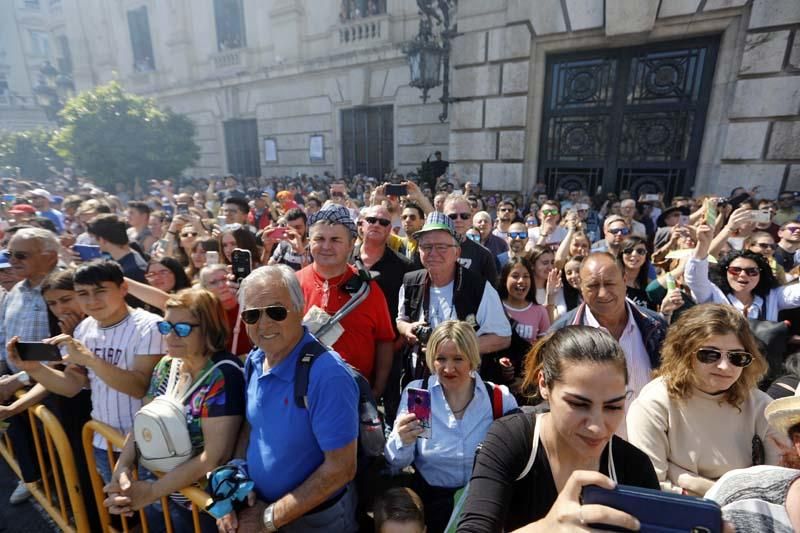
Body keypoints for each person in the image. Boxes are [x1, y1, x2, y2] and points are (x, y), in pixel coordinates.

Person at [456, 326, 659, 532]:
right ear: (544, 384)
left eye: (613, 406)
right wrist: (547, 527)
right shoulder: (510, 440)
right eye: (579, 404)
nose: (597, 427)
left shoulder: (634, 466)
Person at [216, 265, 359, 532]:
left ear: (300, 307)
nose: (264, 324)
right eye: (252, 315)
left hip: (313, 521)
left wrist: (269, 518)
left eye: (276, 311)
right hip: (261, 509)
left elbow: (341, 469)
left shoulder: (328, 375)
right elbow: (253, 426)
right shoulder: (256, 360)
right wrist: (236, 477)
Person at [6, 260, 165, 484]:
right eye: (83, 293)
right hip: (103, 442)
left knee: (156, 516)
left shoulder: (150, 326)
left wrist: (90, 359)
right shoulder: (84, 328)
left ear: (123, 289)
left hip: (146, 445)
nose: (92, 300)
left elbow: (138, 388)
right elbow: (72, 385)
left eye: (100, 291)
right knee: (122, 515)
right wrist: (34, 369)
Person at [103, 289, 244, 533]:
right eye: (166, 327)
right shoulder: (167, 365)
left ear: (209, 328)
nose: (170, 337)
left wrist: (151, 493)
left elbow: (214, 457)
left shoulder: (224, 374)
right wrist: (122, 469)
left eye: (182, 329)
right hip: (173, 493)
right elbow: (142, 422)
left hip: (210, 505)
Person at [627, 304, 786, 495]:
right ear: (684, 353)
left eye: (737, 357)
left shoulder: (763, 406)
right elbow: (651, 487)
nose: (725, 367)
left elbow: (778, 485)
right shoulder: (654, 403)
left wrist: (690, 481)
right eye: (710, 355)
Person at [385, 321, 517, 532]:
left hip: (483, 506)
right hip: (432, 507)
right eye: (441, 359)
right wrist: (403, 439)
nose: (448, 368)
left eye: (458, 359)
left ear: (473, 359)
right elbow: (396, 461)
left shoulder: (499, 398)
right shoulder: (420, 396)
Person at [396, 212, 511, 384]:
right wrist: (407, 329)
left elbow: (503, 337)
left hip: (464, 388)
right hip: (419, 382)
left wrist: (455, 349)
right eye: (426, 247)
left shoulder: (478, 287)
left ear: (457, 252)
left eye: (441, 247)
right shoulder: (410, 282)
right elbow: (400, 320)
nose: (433, 253)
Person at [296, 204, 395, 397]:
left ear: (351, 244)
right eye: (319, 239)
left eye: (335, 240)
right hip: (302, 395)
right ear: (309, 242)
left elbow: (385, 341)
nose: (326, 246)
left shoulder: (368, 289)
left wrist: (377, 390)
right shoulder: (292, 284)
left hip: (354, 395)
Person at [550, 253, 667, 409]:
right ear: (581, 287)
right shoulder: (562, 334)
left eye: (610, 283)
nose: (603, 293)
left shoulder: (656, 326)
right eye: (593, 285)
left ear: (625, 281)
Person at [0, 227, 61, 504]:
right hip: (18, 385)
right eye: (9, 254)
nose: (12, 261)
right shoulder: (14, 291)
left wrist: (20, 379)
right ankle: (35, 479)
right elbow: (3, 335)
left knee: (61, 451)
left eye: (21, 255)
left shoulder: (62, 291)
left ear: (49, 257)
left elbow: (63, 352)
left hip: (54, 389)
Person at [686, 223, 800, 321]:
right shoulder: (713, 295)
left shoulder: (773, 296)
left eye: (752, 271)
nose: (743, 275)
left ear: (761, 275)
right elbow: (694, 278)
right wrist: (702, 244)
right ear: (725, 272)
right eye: (735, 270)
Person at [353, 204, 412, 333]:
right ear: (362, 225)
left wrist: (397, 345)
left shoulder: (404, 266)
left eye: (383, 222)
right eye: (371, 220)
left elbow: (410, 311)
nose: (377, 224)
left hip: (388, 345)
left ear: (389, 229)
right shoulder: (344, 258)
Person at [442, 194, 497, 286]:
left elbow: (491, 291)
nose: (458, 220)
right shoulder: (430, 249)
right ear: (443, 218)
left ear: (470, 219)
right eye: (452, 216)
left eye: (464, 216)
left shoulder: (484, 254)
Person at [498, 257, 550, 343]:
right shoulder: (494, 308)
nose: (521, 281)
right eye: (515, 276)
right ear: (504, 280)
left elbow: (544, 348)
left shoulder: (540, 311)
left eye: (526, 276)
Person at [87, 214, 148, 284]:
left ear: (102, 239)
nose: (91, 242)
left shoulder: (133, 270)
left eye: (92, 238)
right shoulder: (111, 260)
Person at [620, 236, 655, 310]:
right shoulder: (613, 282)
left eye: (640, 251)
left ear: (646, 256)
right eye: (628, 251)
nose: (634, 254)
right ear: (621, 255)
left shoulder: (650, 286)